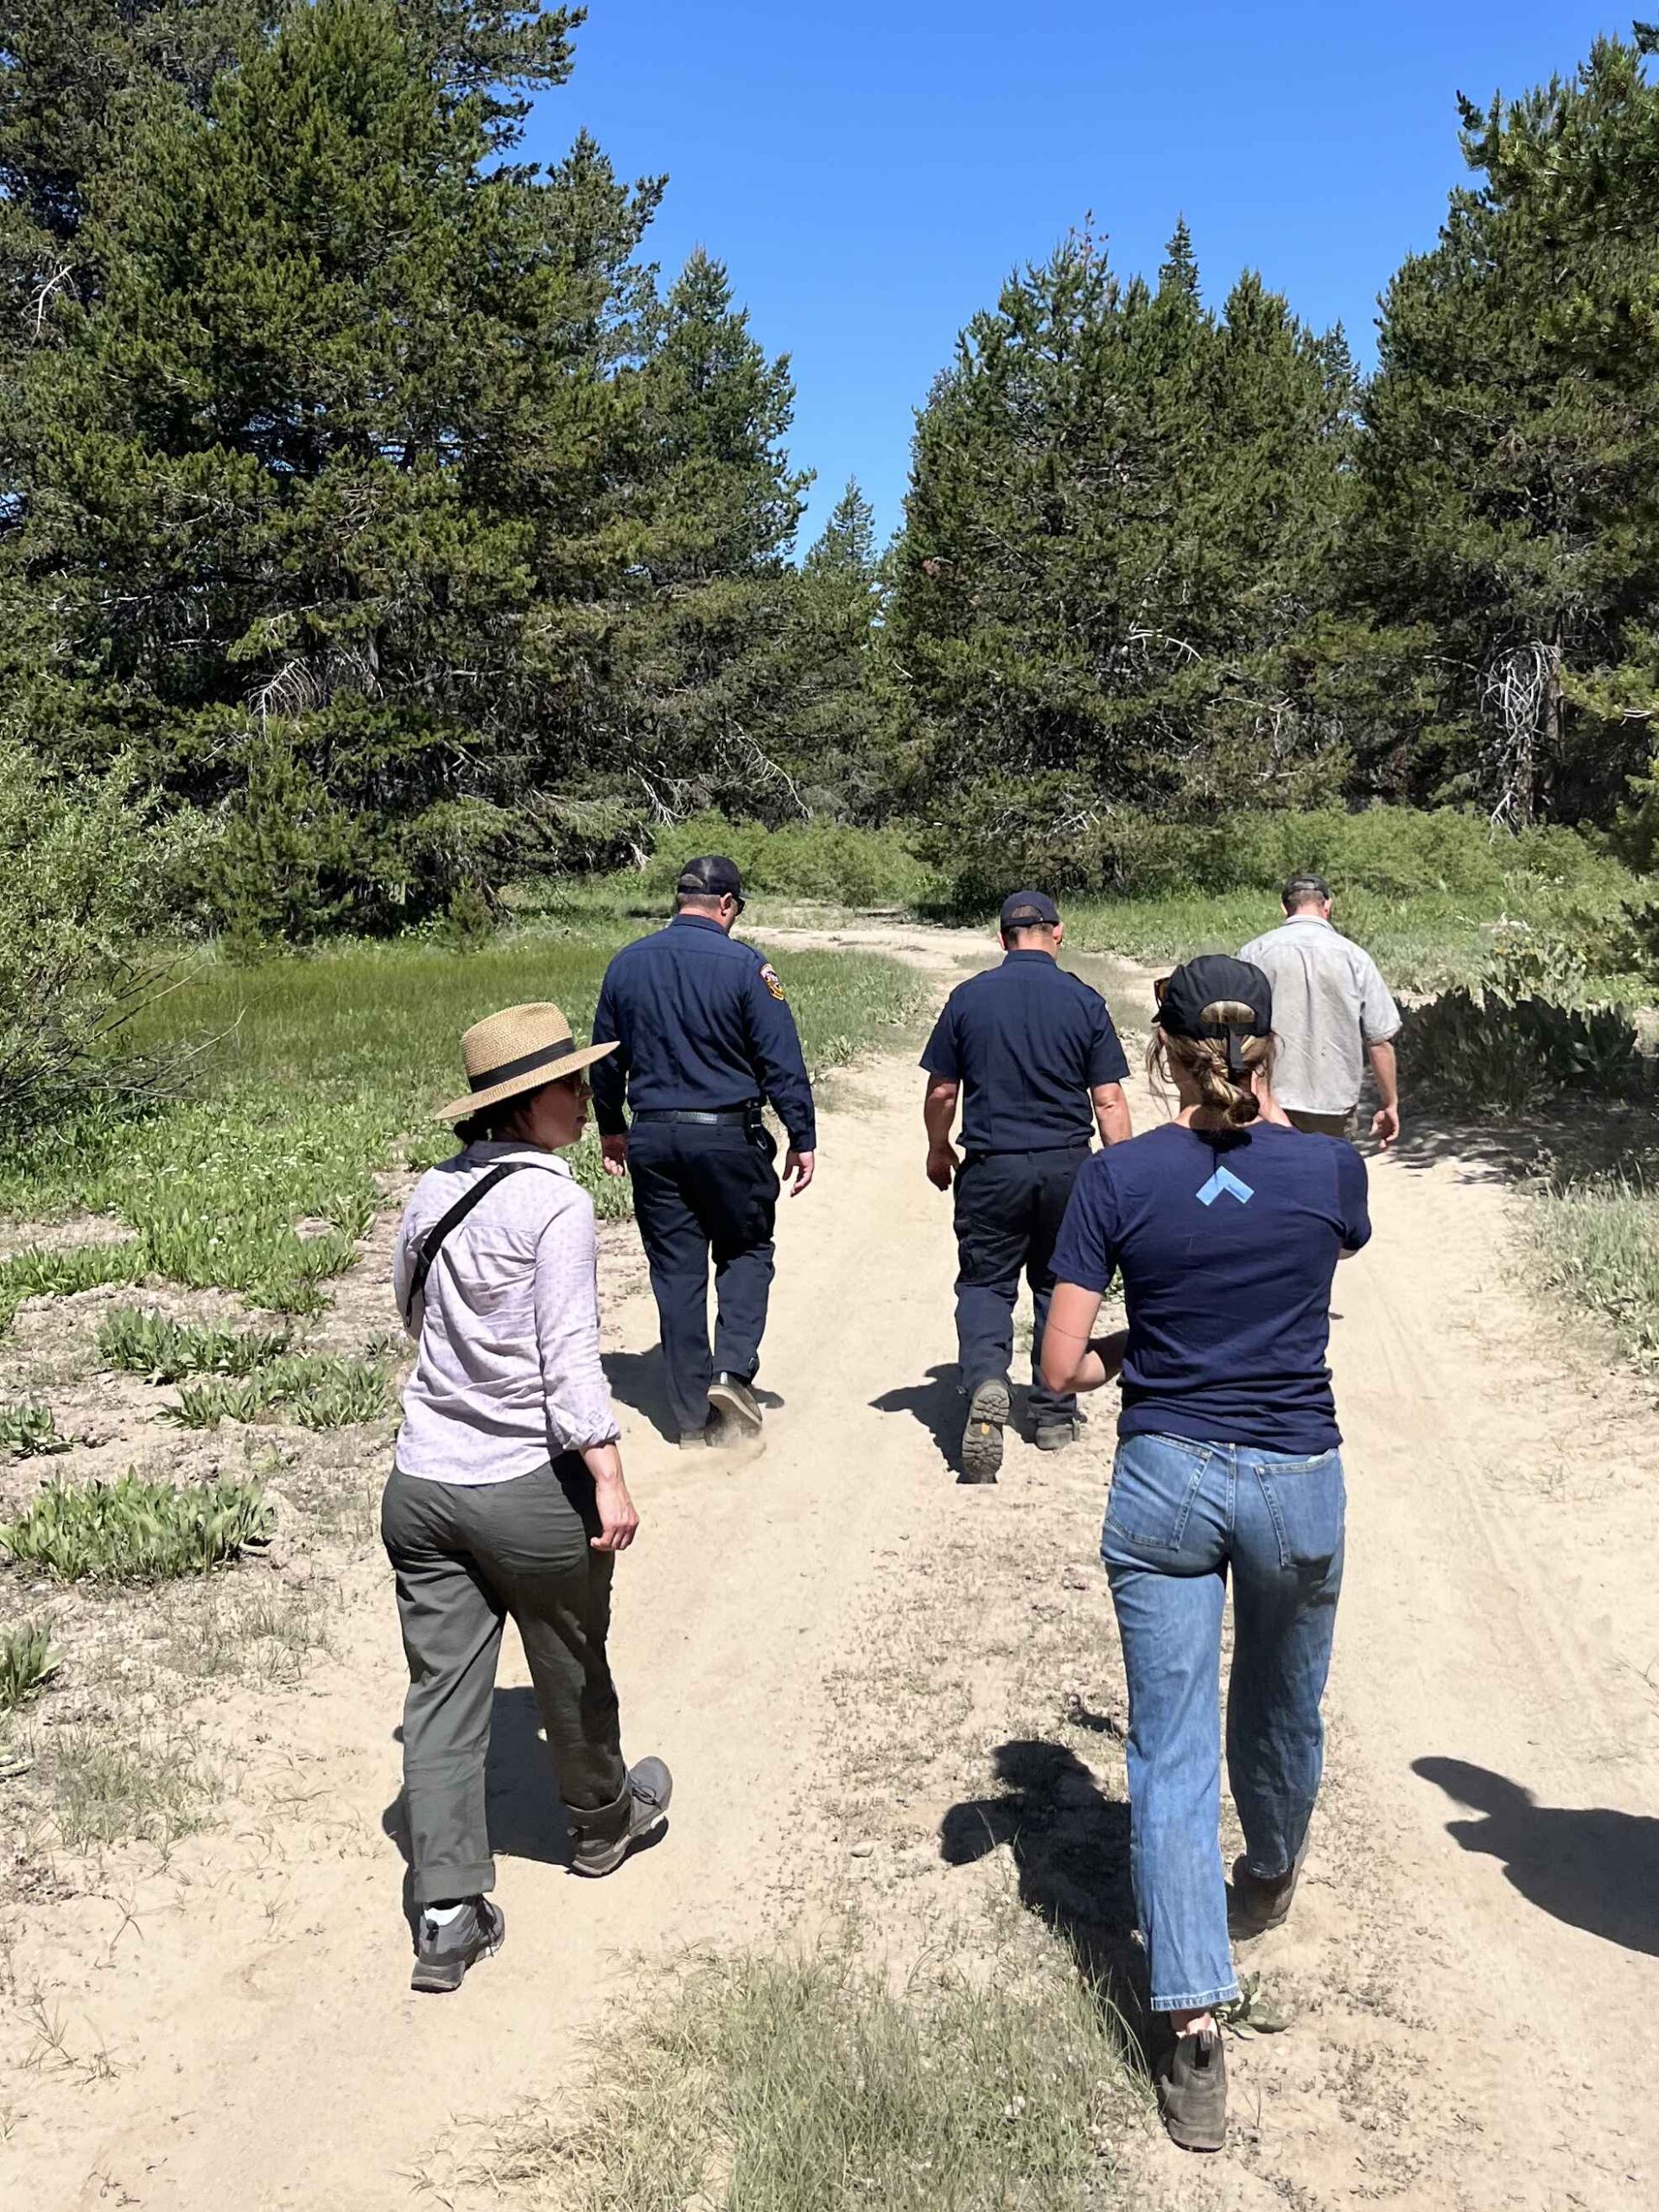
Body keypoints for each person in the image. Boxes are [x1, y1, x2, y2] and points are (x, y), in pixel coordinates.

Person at [1040, 956, 1370, 2152]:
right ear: (1269, 1048)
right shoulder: (1333, 1171)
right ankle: (1270, 1872)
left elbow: (1061, 1368)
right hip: (1296, 1480)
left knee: (1169, 1751)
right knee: (1282, 1706)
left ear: (1160, 1053)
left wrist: (1135, 1348)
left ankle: (1189, 2027)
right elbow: (1304, 1244)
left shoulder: (1116, 1179)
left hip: (1167, 1477)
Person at [383, 1002, 671, 1995]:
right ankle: (601, 1824)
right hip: (524, 1483)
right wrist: (609, 1475)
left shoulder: (433, 1190)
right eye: (571, 1088)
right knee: (573, 1658)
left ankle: (448, 1911)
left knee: (439, 1697)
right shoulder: (554, 1203)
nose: (588, 1103)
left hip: (422, 1482)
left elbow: (408, 1310)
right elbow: (570, 1366)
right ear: (523, 1105)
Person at [591, 855, 816, 1448]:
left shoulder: (626, 964)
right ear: (727, 906)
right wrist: (802, 1136)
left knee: (676, 1272)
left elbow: (606, 1062)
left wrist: (611, 1127)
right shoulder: (748, 968)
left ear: (679, 900)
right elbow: (781, 1061)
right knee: (745, 1249)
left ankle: (692, 1419)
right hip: (727, 1135)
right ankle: (732, 1372)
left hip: (655, 1136)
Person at [920, 889, 1132, 1481]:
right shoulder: (1084, 1000)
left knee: (987, 1280)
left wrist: (938, 1147)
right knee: (1059, 1281)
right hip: (1068, 1165)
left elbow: (942, 1092)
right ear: (1057, 933)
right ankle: (1054, 1411)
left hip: (991, 1164)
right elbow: (1109, 1099)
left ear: (1002, 939)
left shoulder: (968, 998)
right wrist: (1127, 1171)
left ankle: (988, 1379)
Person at [1239, 874, 1402, 1146]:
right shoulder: (1355, 957)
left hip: (1268, 1097)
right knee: (1328, 1180)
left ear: (1284, 908)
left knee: (1273, 1179)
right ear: (1327, 905)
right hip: (1333, 1102)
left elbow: (1234, 1029)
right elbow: (1379, 1041)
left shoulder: (1254, 953)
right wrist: (1390, 1103)